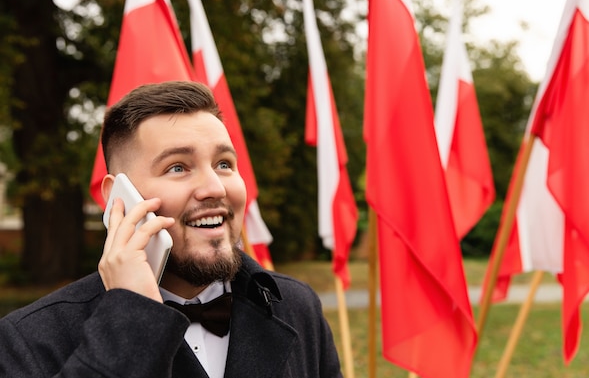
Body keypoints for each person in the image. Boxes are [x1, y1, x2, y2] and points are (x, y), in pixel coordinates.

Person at [0, 81, 343, 378]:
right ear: (118, 197)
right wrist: (131, 317)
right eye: (178, 167)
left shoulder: (298, 307)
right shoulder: (27, 340)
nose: (215, 188)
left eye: (224, 164)